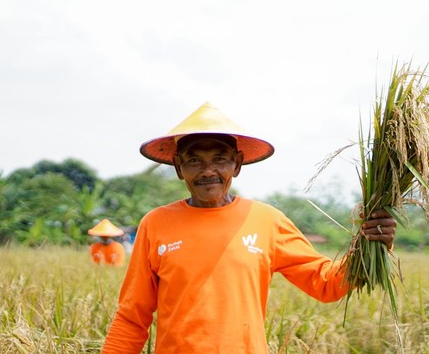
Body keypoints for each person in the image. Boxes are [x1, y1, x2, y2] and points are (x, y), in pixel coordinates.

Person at [102, 102, 397, 353]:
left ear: (238, 164)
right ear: (179, 167)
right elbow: (132, 316)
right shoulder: (156, 224)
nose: (208, 171)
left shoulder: (266, 220)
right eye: (194, 161)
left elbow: (326, 283)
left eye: (219, 159)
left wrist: (371, 244)